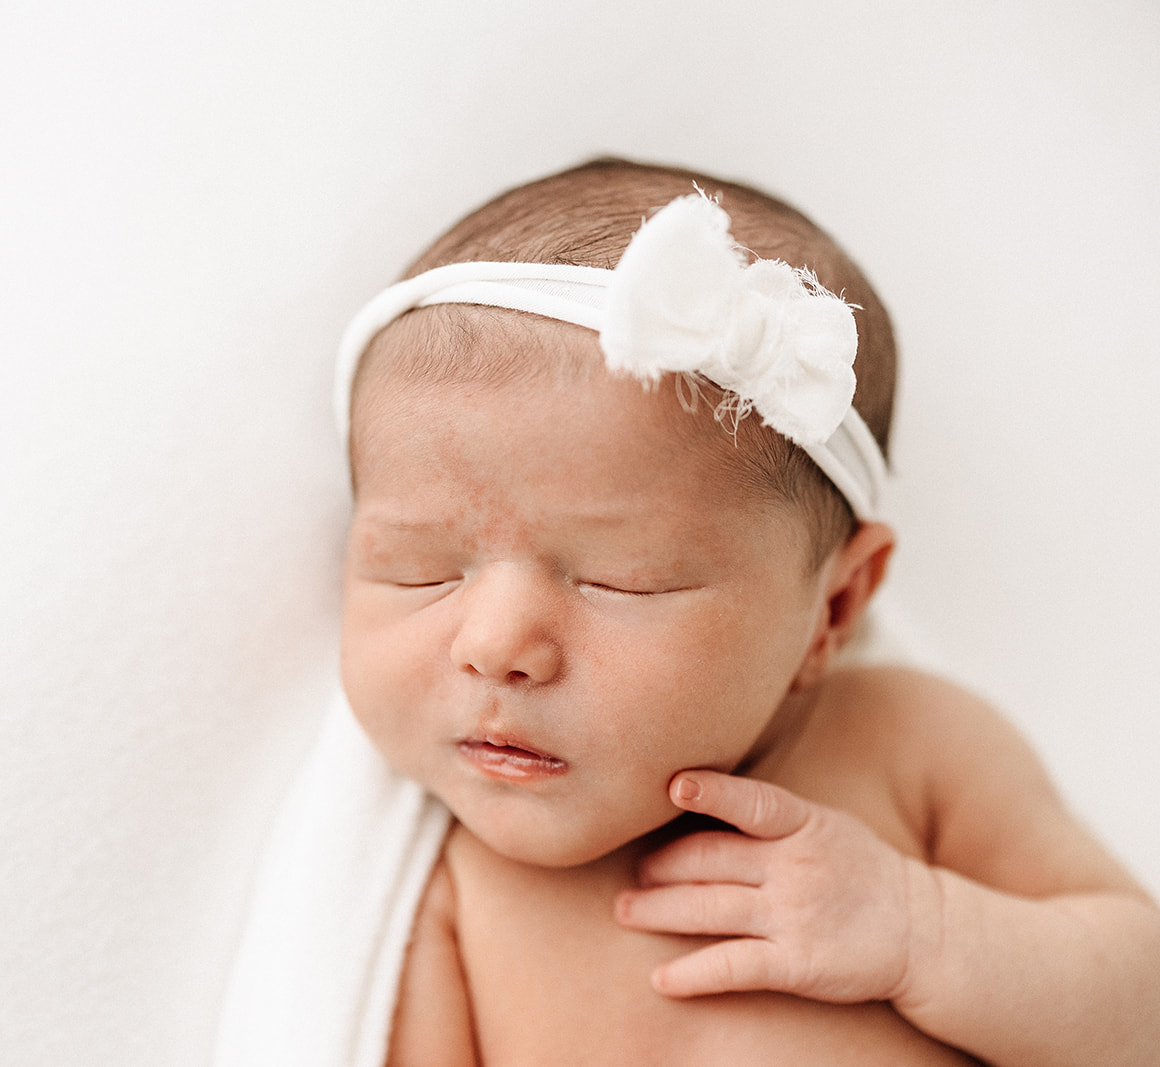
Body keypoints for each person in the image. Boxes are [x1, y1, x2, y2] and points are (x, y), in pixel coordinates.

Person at [336, 158, 1160, 1065]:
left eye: (623, 579)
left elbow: (1141, 1007)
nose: (494, 647)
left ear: (834, 606)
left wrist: (922, 929)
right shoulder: (437, 890)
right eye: (418, 571)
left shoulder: (910, 744)